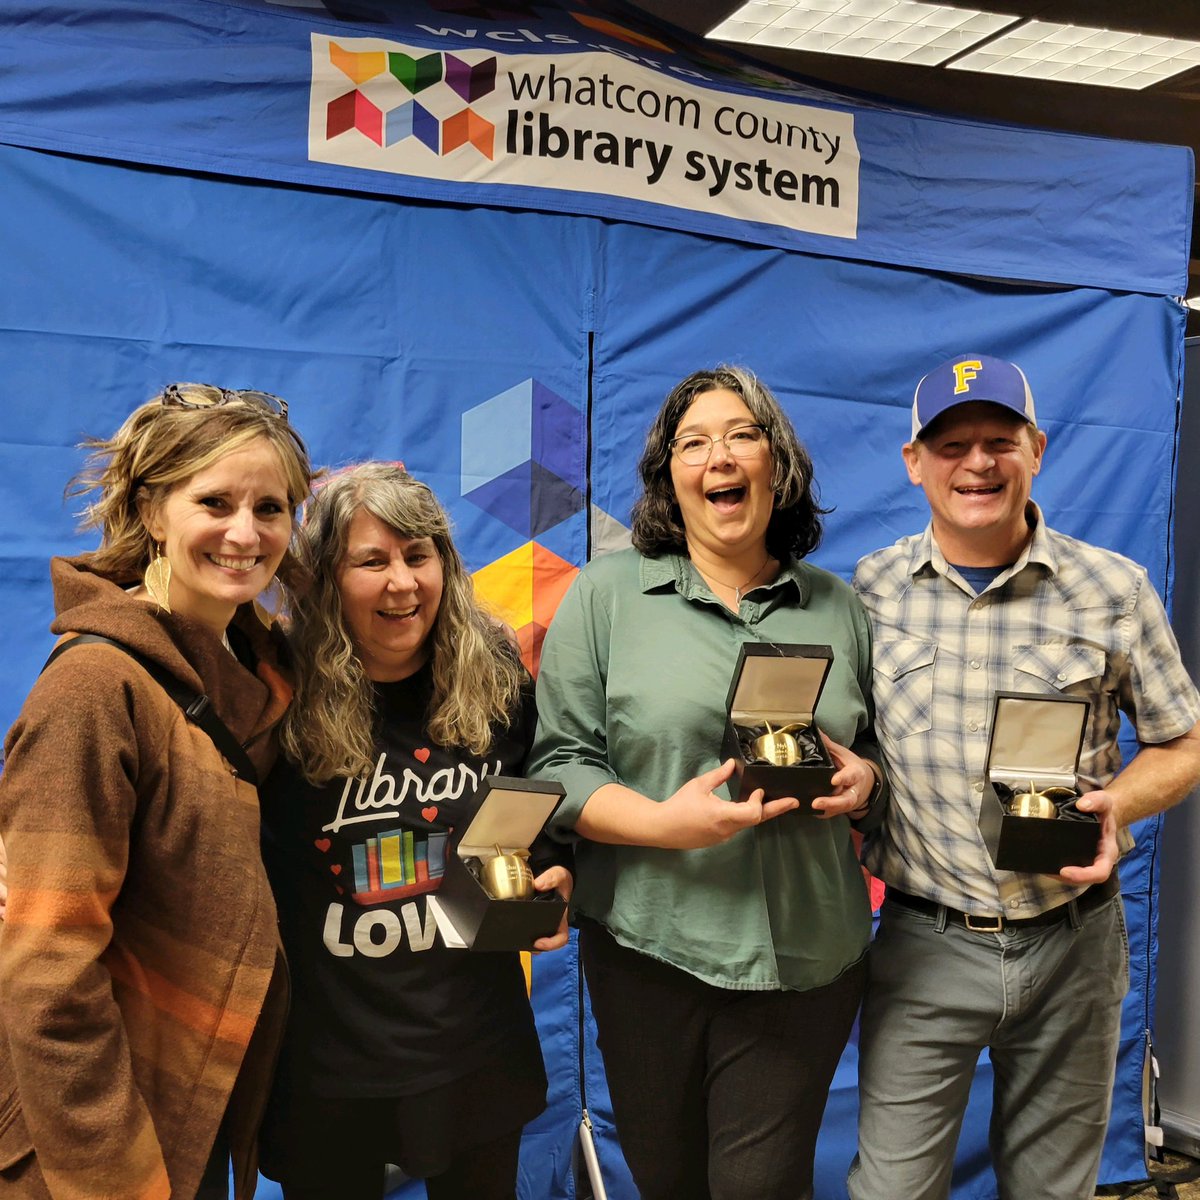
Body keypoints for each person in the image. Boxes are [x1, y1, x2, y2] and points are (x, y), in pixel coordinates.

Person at [529, 365, 886, 1200]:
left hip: (806, 960)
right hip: (649, 952)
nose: (718, 457)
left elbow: (879, 756)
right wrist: (663, 823)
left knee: (759, 1186)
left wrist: (867, 782)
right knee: (667, 1181)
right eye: (693, 443)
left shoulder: (840, 606)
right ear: (669, 477)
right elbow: (560, 764)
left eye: (741, 436)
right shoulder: (606, 595)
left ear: (777, 464)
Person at [849, 353, 1200, 1200]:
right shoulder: (870, 591)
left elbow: (1183, 744)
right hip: (925, 941)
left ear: (1036, 448)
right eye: (952, 445)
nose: (977, 464)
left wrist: (1119, 804)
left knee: (1054, 1191)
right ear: (913, 463)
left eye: (999, 441)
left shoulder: (1113, 590)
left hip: (1073, 943)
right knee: (891, 1189)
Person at [0, 383, 314, 1199]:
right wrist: (115, 1177)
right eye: (214, 501)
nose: (246, 533)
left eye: (271, 507)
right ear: (151, 510)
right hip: (96, 1144)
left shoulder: (262, 674)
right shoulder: (95, 692)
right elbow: (46, 975)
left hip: (197, 1112)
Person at [258, 462, 572, 1200]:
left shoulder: (494, 674)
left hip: (476, 1055)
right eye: (371, 561)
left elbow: (541, 807)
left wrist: (556, 870)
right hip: (333, 1072)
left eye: (418, 554)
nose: (402, 583)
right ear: (323, 579)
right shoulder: (272, 691)